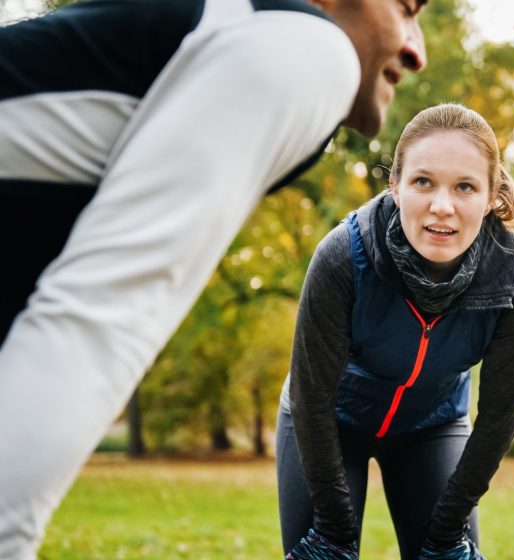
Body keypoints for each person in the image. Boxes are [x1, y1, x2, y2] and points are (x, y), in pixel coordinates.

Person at [0, 0, 427, 557]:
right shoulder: (307, 49)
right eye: (407, 7)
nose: (417, 50)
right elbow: (98, 322)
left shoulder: (221, 31)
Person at [277, 103, 514, 559]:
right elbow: (312, 397)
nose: (442, 206)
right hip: (329, 423)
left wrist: (445, 534)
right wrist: (335, 533)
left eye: (465, 186)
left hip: (432, 425)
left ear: (491, 196)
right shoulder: (343, 255)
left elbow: (503, 411)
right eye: (424, 182)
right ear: (395, 187)